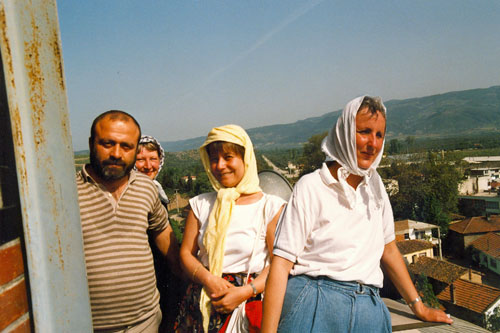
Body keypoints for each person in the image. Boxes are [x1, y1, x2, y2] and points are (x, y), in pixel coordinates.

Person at [261, 96, 453, 332]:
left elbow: (389, 249)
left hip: (368, 308)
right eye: (364, 132)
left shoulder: (376, 186)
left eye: (379, 134)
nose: (373, 143)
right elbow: (280, 264)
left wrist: (419, 307)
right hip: (315, 302)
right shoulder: (311, 186)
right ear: (344, 133)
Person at [174, 124, 285, 332]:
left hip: (246, 303)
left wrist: (246, 291)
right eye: (214, 159)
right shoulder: (201, 205)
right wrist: (209, 279)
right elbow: (186, 254)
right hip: (202, 301)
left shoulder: (270, 207)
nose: (220, 165)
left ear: (246, 159)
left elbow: (277, 263)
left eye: (228, 157)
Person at [76, 110, 178, 332]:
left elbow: (163, 234)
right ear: (91, 143)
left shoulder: (147, 188)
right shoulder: (68, 191)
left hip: (146, 323)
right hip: (89, 326)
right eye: (107, 143)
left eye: (126, 146)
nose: (116, 153)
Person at [135, 135, 170, 206]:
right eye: (140, 159)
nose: (148, 166)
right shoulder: (129, 195)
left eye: (153, 159)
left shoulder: (157, 191)